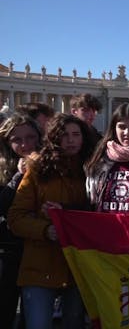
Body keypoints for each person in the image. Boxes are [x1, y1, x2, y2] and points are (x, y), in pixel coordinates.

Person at [8, 113, 95, 329]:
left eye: (76, 134)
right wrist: (47, 230)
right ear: (53, 138)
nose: (71, 140)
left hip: (76, 267)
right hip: (40, 265)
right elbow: (16, 218)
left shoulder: (91, 171)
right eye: (64, 135)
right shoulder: (37, 169)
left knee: (74, 323)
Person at [0, 114, 42, 328]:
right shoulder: (3, 168)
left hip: (37, 248)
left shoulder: (47, 163)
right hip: (7, 250)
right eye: (17, 140)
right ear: (7, 141)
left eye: (31, 137)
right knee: (5, 309)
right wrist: (18, 177)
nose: (25, 145)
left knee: (33, 314)